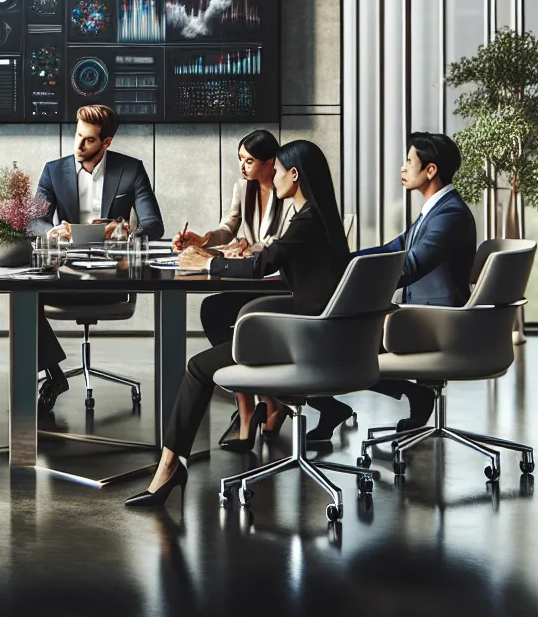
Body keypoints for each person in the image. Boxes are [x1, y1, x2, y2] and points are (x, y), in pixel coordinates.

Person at [124, 140, 348, 507]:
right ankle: (242, 419)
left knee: (198, 367)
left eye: (277, 170)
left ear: (294, 175)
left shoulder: (305, 222)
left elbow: (261, 265)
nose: (273, 176)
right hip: (317, 330)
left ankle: (168, 469)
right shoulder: (321, 219)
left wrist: (207, 264)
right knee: (225, 313)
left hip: (304, 339)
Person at [28, 104, 165, 410]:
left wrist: (124, 228)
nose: (78, 144)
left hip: (112, 276)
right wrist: (53, 231)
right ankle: (53, 372)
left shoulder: (130, 170)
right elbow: (32, 221)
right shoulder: (54, 170)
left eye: (88, 139)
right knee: (24, 294)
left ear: (106, 142)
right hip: (66, 273)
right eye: (77, 135)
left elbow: (154, 225)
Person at [171, 129, 290, 450]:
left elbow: (283, 244)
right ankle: (252, 404)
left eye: (249, 161)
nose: (243, 167)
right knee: (212, 310)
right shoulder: (243, 187)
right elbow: (229, 227)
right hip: (249, 278)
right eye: (240, 160)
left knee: (230, 314)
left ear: (270, 162)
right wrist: (203, 240)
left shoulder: (288, 190)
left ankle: (260, 406)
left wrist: (250, 249)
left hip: (277, 283)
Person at [353, 131, 478, 432]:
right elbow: (392, 249)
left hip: (437, 324)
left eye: (409, 161)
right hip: (422, 316)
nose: (403, 167)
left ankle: (416, 394)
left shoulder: (450, 215)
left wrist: (353, 281)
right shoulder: (435, 211)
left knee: (342, 345)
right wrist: (342, 261)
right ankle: (416, 395)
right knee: (345, 342)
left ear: (430, 170)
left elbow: (409, 266)